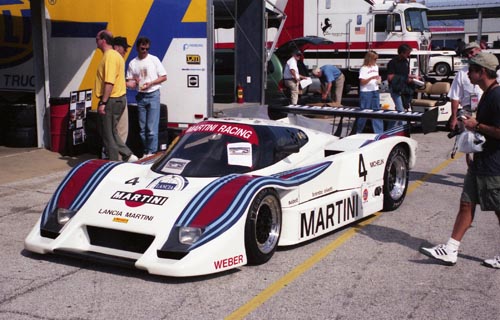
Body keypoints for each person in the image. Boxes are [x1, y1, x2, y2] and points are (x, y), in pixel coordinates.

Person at [420, 52, 500, 269]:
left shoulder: (496, 96)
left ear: (481, 72)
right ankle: (450, 249)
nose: (467, 74)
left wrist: (477, 126)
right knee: (466, 203)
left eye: (471, 70)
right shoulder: (487, 93)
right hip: (481, 161)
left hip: (493, 165)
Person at [94, 30, 137, 162]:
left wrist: (103, 103)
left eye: (97, 39)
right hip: (117, 99)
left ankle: (116, 162)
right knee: (112, 132)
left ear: (103, 40)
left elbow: (109, 81)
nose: (96, 41)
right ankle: (127, 156)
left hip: (111, 100)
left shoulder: (110, 56)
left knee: (109, 135)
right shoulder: (116, 56)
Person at [126, 36, 167, 157]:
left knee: (151, 129)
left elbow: (164, 76)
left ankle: (151, 152)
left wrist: (152, 83)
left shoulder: (154, 60)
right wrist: (134, 81)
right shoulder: (133, 63)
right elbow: (128, 81)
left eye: (147, 49)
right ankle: (146, 151)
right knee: (142, 129)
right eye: (142, 48)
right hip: (141, 96)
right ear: (137, 48)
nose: (145, 51)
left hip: (153, 94)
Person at [448, 42, 483, 133]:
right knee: (465, 141)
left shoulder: (491, 71)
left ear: (480, 51)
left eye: (471, 52)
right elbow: (455, 97)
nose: (469, 56)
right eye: (467, 54)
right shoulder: (462, 73)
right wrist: (454, 117)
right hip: (468, 111)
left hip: (486, 110)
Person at [356, 51, 383, 134]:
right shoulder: (364, 68)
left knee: (376, 112)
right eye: (375, 59)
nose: (376, 61)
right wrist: (371, 78)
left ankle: (379, 132)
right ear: (370, 59)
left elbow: (377, 77)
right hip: (366, 92)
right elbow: (362, 82)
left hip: (375, 90)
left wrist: (379, 79)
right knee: (364, 112)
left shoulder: (376, 66)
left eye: (376, 59)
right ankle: (359, 131)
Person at [387, 44, 419, 112]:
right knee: (400, 110)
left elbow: (404, 74)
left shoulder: (405, 62)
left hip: (404, 88)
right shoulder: (392, 62)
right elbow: (390, 77)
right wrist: (406, 79)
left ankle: (394, 122)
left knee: (404, 107)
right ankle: (404, 123)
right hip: (395, 88)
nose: (409, 55)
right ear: (402, 52)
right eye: (407, 53)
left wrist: (413, 77)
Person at [112, 36, 131, 148]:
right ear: (117, 47)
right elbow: (111, 80)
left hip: (118, 98)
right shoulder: (115, 59)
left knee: (120, 131)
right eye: (125, 48)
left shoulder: (116, 59)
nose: (126, 51)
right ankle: (118, 158)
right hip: (116, 99)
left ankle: (118, 156)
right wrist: (128, 84)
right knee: (120, 131)